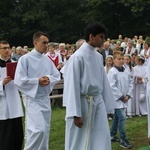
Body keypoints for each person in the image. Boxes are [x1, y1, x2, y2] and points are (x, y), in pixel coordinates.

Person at [63, 22, 115, 150]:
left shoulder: (98, 56)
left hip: (97, 102)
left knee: (100, 136)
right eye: (101, 37)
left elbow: (103, 82)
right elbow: (71, 85)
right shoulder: (77, 57)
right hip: (83, 104)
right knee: (80, 139)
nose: (103, 40)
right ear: (91, 36)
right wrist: (75, 113)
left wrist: (109, 107)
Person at [14, 31, 60, 150]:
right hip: (32, 99)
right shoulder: (25, 59)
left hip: (44, 99)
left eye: (47, 43)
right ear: (35, 42)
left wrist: (48, 79)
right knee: (38, 131)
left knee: (45, 132)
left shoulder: (47, 60)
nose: (46, 45)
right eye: (44, 43)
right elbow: (19, 80)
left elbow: (56, 75)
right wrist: (37, 81)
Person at [0, 40, 24, 150]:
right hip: (3, 104)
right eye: (4, 48)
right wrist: (2, 83)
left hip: (14, 102)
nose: (7, 50)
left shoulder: (15, 63)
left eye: (8, 48)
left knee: (18, 134)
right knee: (6, 136)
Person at [107, 51, 133, 149]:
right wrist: (121, 97)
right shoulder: (112, 71)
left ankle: (112, 135)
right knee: (122, 117)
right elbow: (111, 86)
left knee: (117, 118)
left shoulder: (126, 70)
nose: (121, 60)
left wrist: (128, 95)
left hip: (125, 98)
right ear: (114, 60)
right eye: (119, 59)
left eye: (122, 59)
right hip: (117, 100)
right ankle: (123, 140)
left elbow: (131, 83)